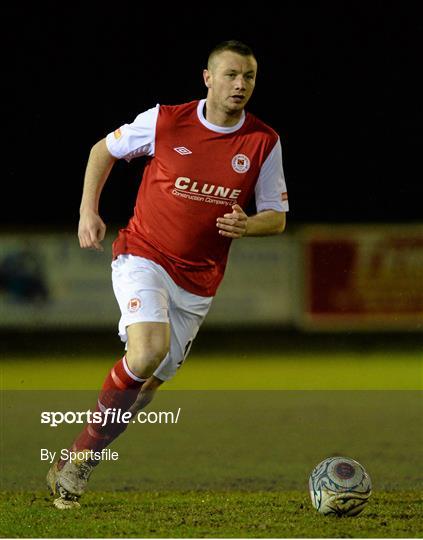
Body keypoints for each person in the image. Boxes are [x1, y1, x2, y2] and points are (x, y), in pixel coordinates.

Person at [46, 39, 289, 509]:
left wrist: (248, 224)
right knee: (147, 350)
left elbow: (277, 216)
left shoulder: (263, 142)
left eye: (250, 77)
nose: (240, 84)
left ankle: (77, 458)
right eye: (232, 74)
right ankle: (77, 466)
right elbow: (103, 150)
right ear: (208, 78)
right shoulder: (166, 119)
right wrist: (86, 212)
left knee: (145, 387)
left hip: (199, 281)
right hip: (144, 254)